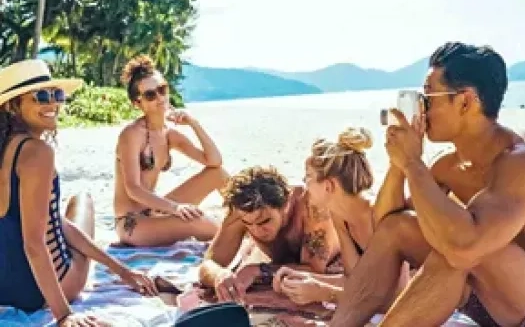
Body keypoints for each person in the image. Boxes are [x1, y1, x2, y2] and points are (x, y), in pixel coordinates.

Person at [330, 42, 525, 327]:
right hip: (490, 298)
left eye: (428, 97)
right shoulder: (448, 166)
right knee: (403, 227)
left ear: (465, 101)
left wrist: (413, 165)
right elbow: (385, 227)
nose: (422, 107)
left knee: (457, 253)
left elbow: (465, 248)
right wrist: (400, 165)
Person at [0, 60, 159, 327]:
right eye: (40, 96)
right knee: (83, 201)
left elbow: (30, 221)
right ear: (12, 106)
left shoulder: (5, 149)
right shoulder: (36, 152)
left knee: (59, 215)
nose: (53, 104)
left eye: (56, 94)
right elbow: (34, 243)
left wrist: (121, 271)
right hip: (38, 291)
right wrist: (64, 315)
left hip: (4, 286)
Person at [271, 128, 410, 306]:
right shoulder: (341, 218)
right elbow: (354, 282)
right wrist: (307, 279)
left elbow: (398, 296)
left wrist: (325, 293)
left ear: (329, 186)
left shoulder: (379, 216)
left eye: (309, 178)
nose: (305, 187)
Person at [114, 54, 228, 246]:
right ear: (137, 103)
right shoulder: (131, 135)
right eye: (150, 95)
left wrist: (194, 124)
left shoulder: (169, 134)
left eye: (162, 89)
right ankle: (238, 230)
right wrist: (176, 208)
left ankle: (247, 216)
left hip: (154, 211)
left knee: (217, 174)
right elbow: (133, 188)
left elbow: (214, 162)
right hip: (132, 223)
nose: (160, 97)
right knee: (201, 224)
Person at [198, 165, 341, 303]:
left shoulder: (312, 208)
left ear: (285, 205)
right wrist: (219, 275)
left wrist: (258, 270)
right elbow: (208, 264)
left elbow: (315, 270)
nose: (256, 231)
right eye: (248, 224)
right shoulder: (242, 211)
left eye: (264, 222)